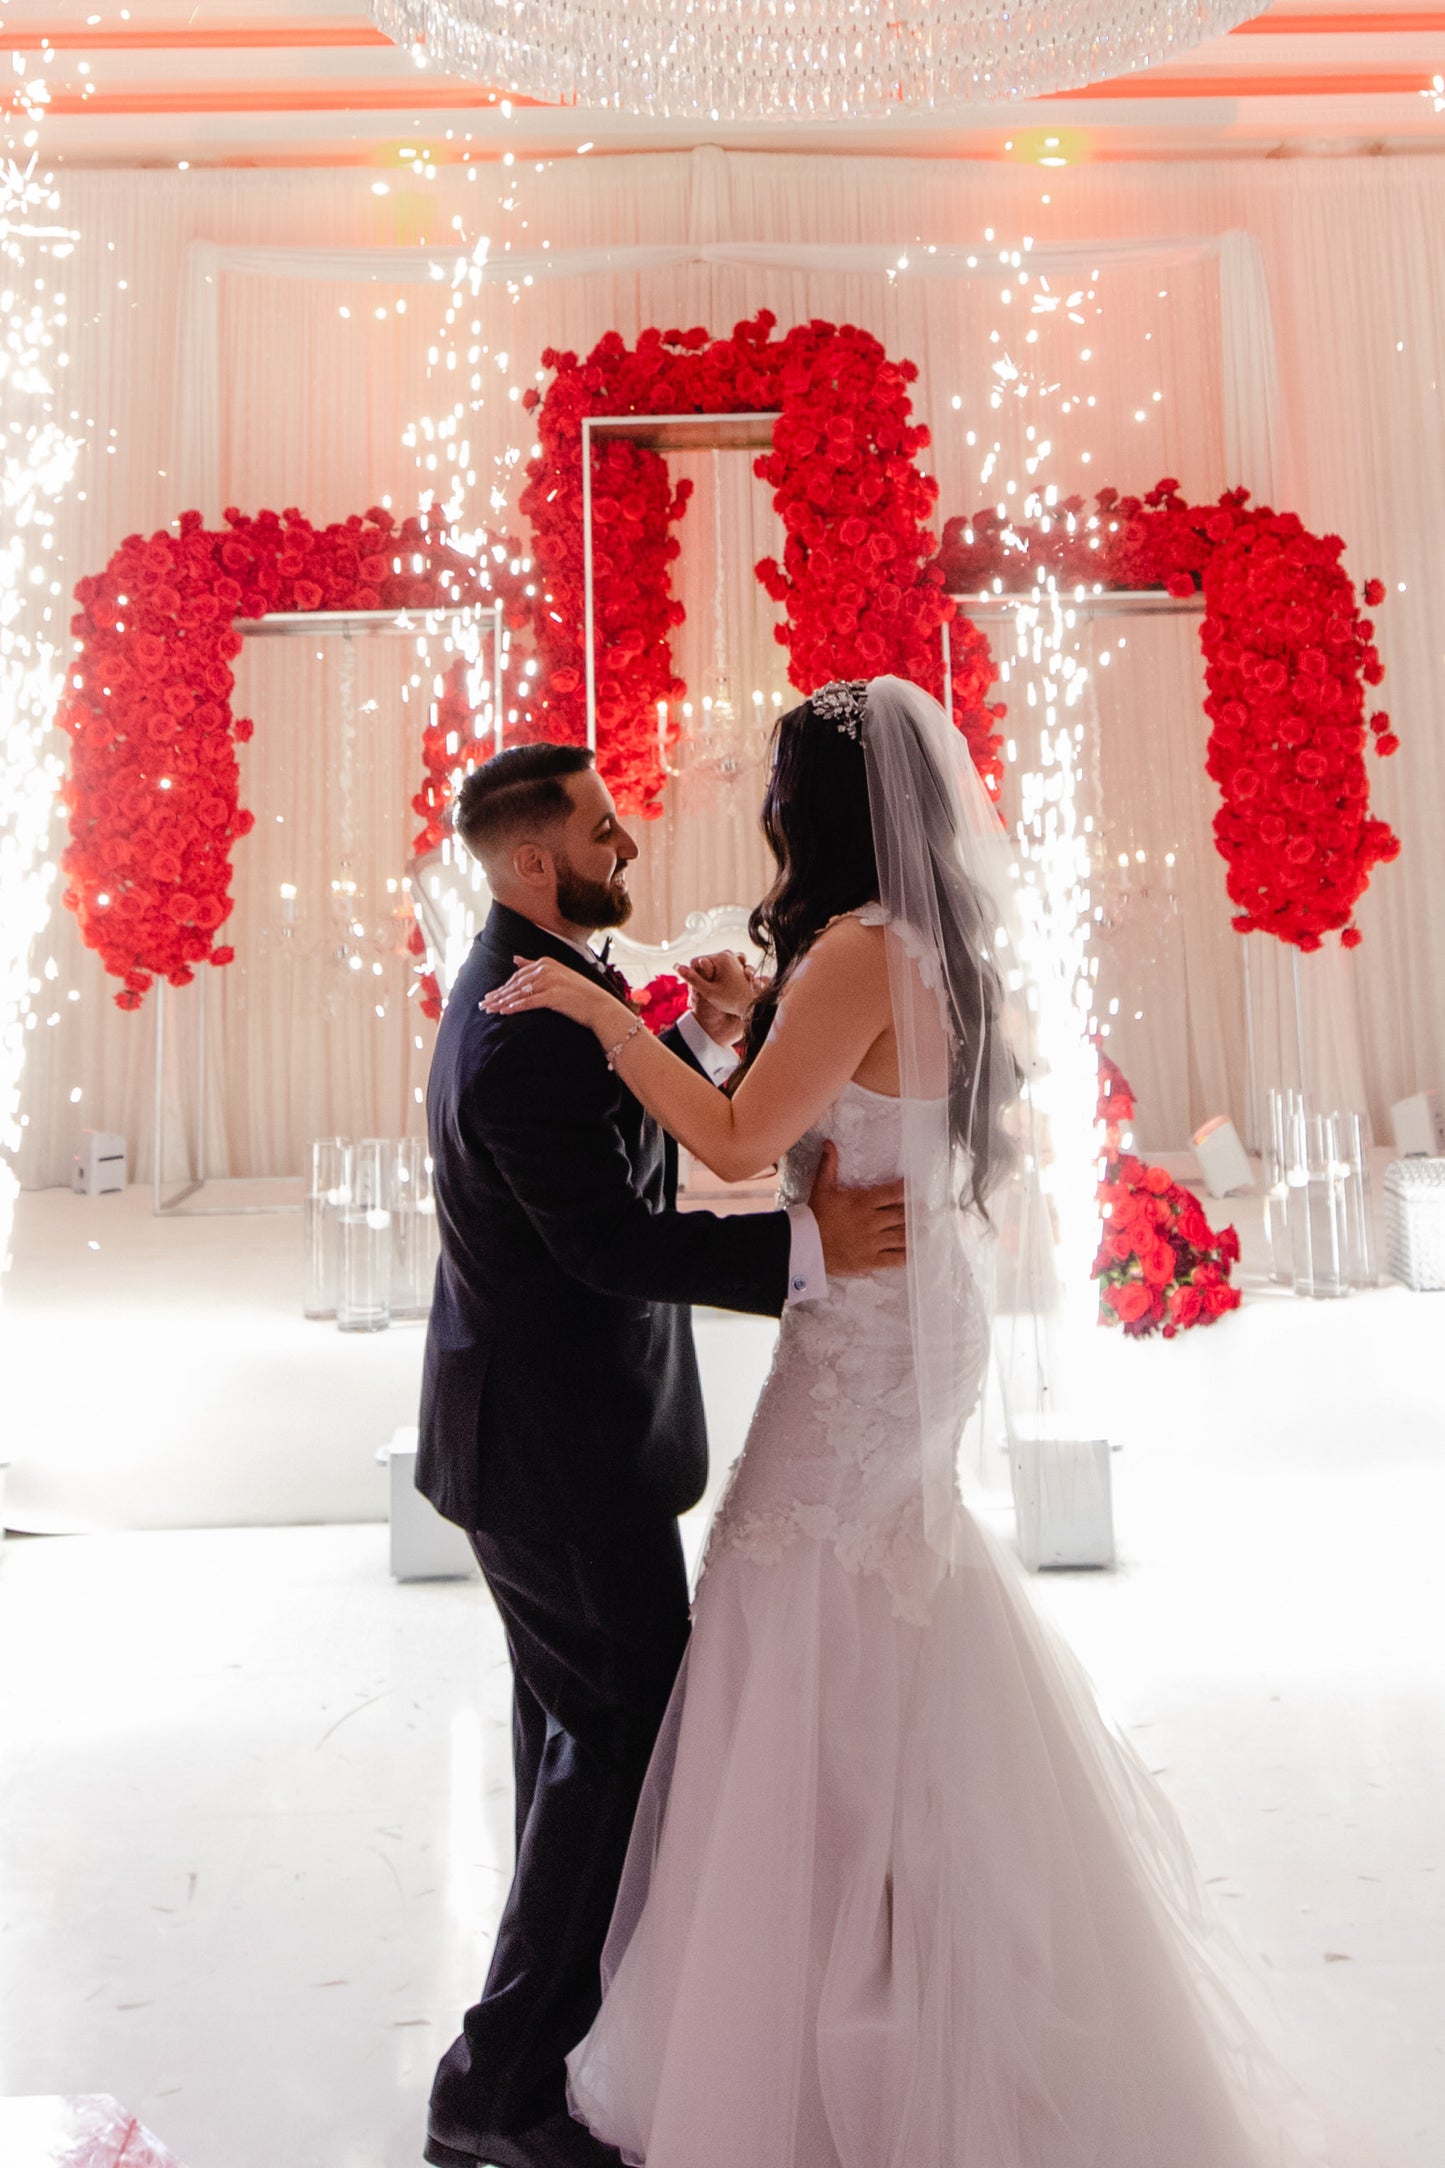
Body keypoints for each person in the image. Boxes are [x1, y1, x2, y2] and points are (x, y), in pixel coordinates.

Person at [483, 678, 1335, 2168]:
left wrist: (600, 1016)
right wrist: (748, 1021)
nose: (751, 803)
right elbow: (835, 1100)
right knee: (887, 1589)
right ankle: (890, 1938)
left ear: (810, 810)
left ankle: (836, 1974)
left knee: (799, 1594)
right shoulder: (909, 943)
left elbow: (747, 1148)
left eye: (769, 784)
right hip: (905, 1302)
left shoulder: (857, 953)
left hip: (867, 1325)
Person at [419, 740, 910, 2168]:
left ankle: (561, 2044)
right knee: (617, 1748)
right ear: (530, 865)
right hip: (553, 1460)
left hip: (556, 1448)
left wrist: (698, 1046)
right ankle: (493, 2091)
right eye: (603, 831)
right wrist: (810, 1251)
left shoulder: (547, 989)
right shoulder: (521, 1025)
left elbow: (621, 1145)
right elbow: (606, 1241)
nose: (628, 847)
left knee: (579, 1747)